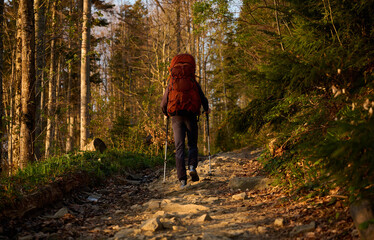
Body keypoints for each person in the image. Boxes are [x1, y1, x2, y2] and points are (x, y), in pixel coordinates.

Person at [161, 53, 210, 187]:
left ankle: (182, 180)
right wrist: (206, 109)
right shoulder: (192, 81)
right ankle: (192, 167)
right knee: (192, 144)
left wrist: (165, 113)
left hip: (176, 116)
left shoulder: (171, 81)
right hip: (191, 114)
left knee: (179, 147)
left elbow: (164, 102)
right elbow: (202, 96)